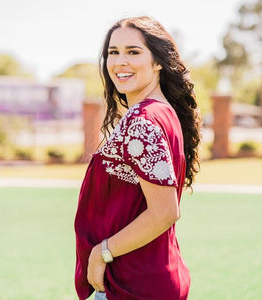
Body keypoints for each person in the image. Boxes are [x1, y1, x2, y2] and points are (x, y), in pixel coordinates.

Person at [74, 16, 201, 300]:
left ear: (158, 61)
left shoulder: (144, 120)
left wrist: (101, 252)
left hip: (131, 285)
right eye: (113, 52)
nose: (120, 61)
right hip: (148, 279)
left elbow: (165, 211)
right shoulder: (161, 113)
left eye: (133, 52)